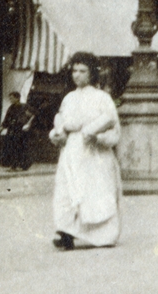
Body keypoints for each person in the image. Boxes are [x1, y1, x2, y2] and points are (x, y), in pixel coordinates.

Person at [49, 51, 122, 250]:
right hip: (72, 152)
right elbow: (62, 123)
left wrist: (97, 137)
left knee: (96, 193)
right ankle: (66, 233)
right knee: (67, 191)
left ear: (92, 74)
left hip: (95, 154)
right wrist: (59, 135)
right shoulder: (69, 99)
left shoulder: (102, 98)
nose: (77, 75)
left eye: (83, 71)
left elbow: (115, 131)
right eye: (74, 71)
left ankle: (103, 235)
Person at [0, 91, 36, 170]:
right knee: (12, 148)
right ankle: (14, 165)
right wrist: (1, 129)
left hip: (21, 130)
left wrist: (29, 123)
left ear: (17, 98)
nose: (10, 100)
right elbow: (7, 119)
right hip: (13, 130)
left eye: (12, 98)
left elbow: (33, 115)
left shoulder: (25, 107)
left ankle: (24, 165)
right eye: (10, 98)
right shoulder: (11, 108)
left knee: (22, 148)